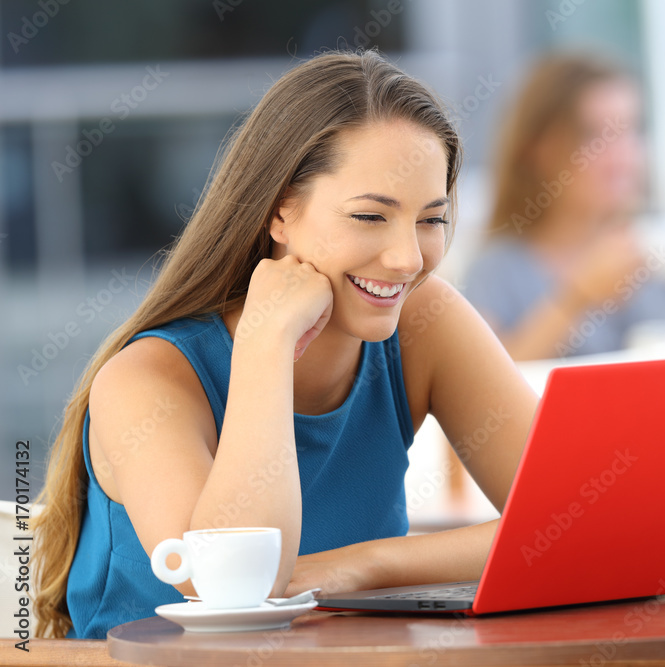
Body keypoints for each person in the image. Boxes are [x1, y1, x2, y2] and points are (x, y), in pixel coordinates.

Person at [32, 50, 538, 639]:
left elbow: (583, 521)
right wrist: (266, 344)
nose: (407, 259)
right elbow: (233, 589)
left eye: (431, 220)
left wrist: (364, 565)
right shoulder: (147, 380)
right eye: (370, 217)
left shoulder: (425, 322)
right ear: (280, 210)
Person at [463, 53, 665, 360]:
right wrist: (575, 299)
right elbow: (484, 382)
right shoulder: (500, 271)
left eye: (631, 130)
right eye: (593, 136)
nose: (621, 156)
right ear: (540, 150)